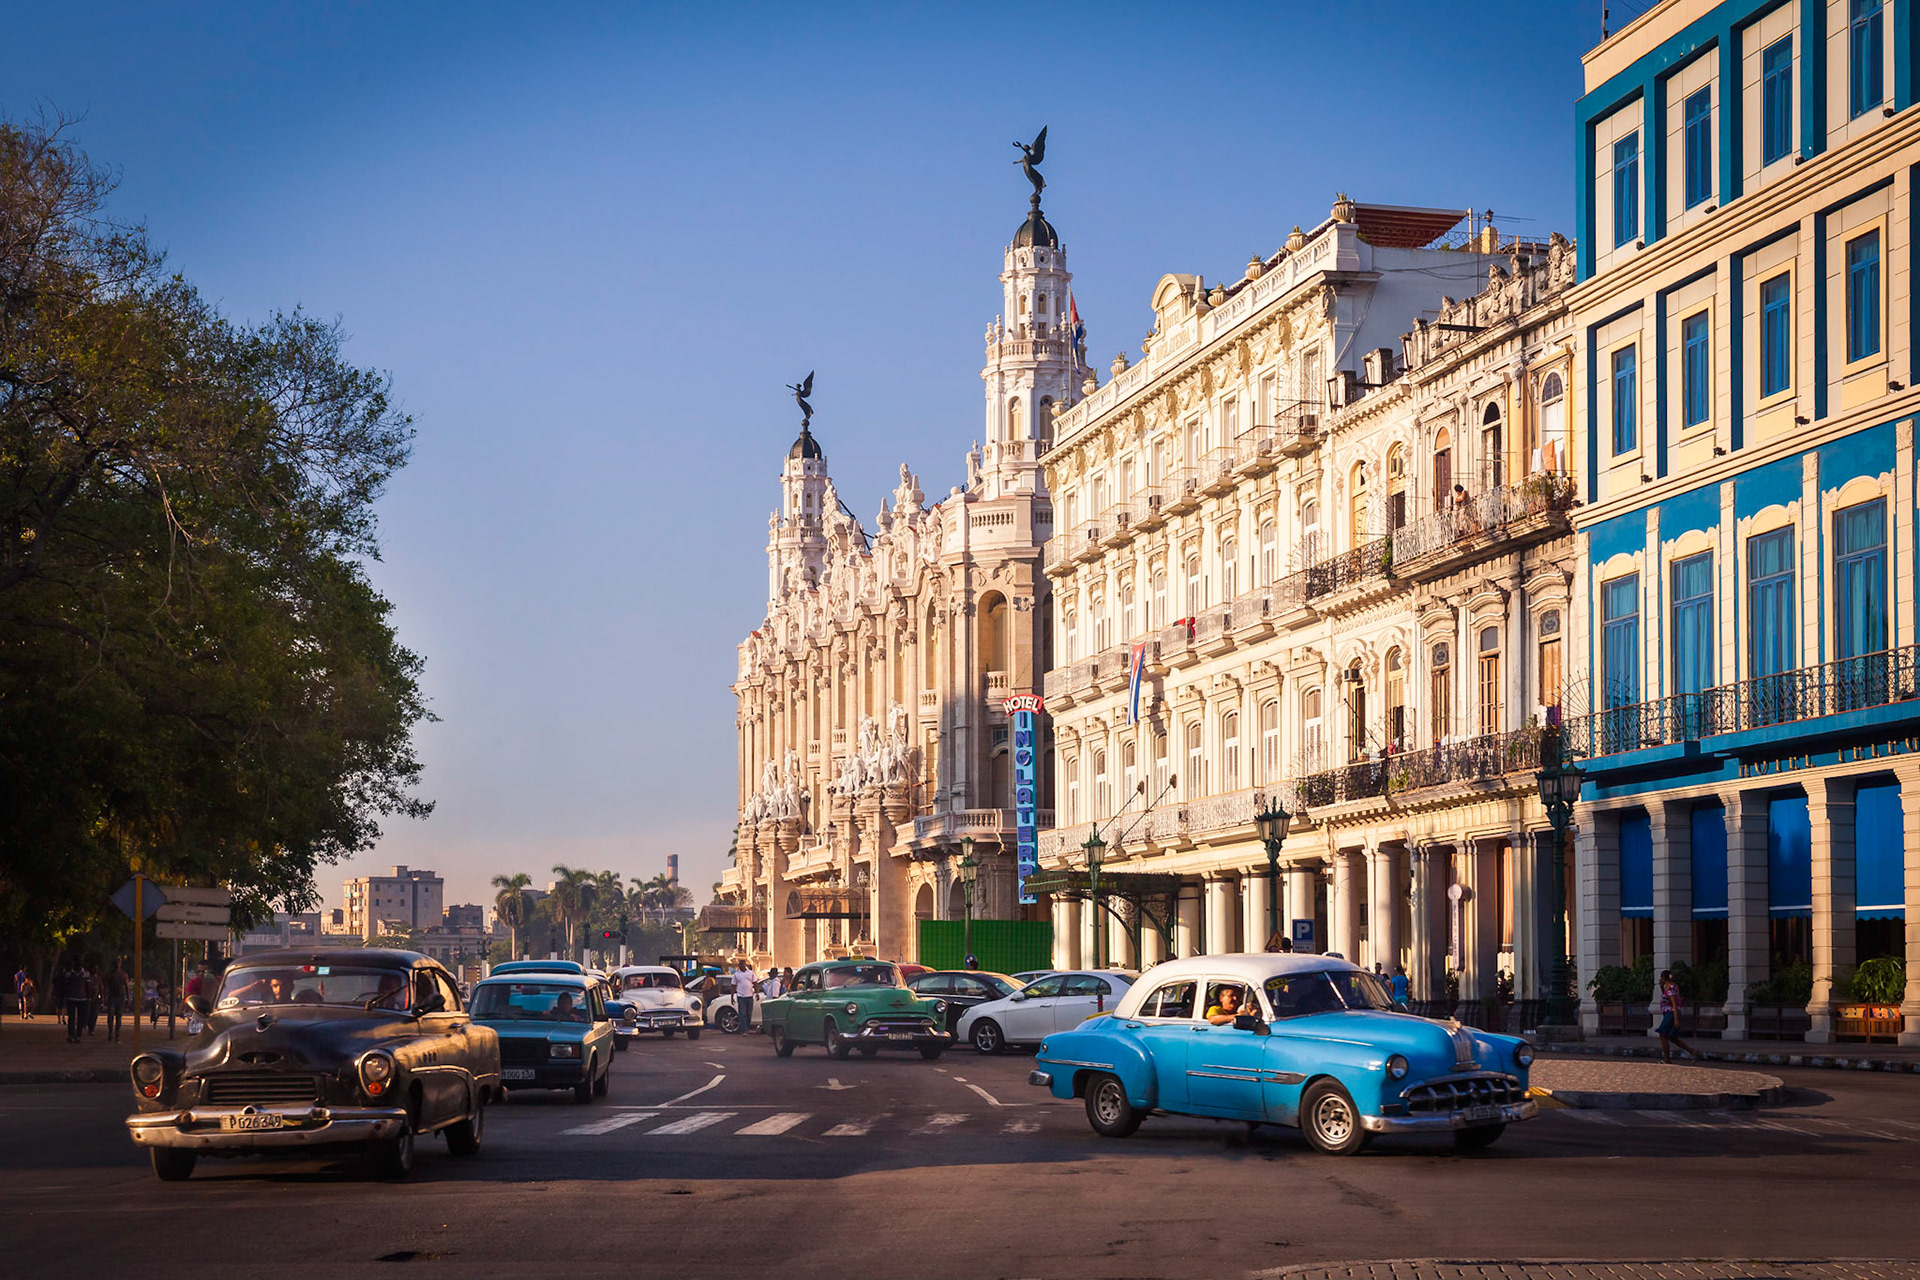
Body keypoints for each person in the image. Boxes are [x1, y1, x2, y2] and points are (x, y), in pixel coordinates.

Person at [1656, 969, 1697, 1065]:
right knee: (1672, 1037)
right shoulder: (1667, 987)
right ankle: (1692, 1051)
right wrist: (1661, 988)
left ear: (1663, 978)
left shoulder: (1671, 989)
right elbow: (1665, 998)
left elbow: (1674, 1004)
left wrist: (1676, 1020)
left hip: (1671, 1013)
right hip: (1668, 1013)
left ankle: (1667, 1059)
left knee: (1662, 1034)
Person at [59, 961, 87, 1043]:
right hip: (72, 998)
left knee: (78, 1019)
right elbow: (65, 986)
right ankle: (73, 1035)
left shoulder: (84, 974)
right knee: (72, 1018)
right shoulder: (70, 974)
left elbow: (87, 986)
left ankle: (77, 1035)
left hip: (80, 998)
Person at [105, 959, 128, 1042]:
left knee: (119, 1017)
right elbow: (106, 986)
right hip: (112, 996)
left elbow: (126, 986)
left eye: (118, 963)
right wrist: (105, 997)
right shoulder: (110, 974)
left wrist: (127, 998)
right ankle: (110, 1032)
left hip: (120, 996)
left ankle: (117, 1034)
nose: (117, 965)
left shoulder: (123, 974)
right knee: (110, 1015)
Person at [730, 961, 755, 1033]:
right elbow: (733, 986)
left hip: (750, 996)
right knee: (742, 1013)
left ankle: (746, 1026)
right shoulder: (736, 974)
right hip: (741, 996)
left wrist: (757, 993)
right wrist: (732, 997)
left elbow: (755, 983)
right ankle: (744, 1029)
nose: (741, 966)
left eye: (742, 964)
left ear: (745, 965)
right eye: (740, 964)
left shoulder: (751, 973)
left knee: (749, 1013)